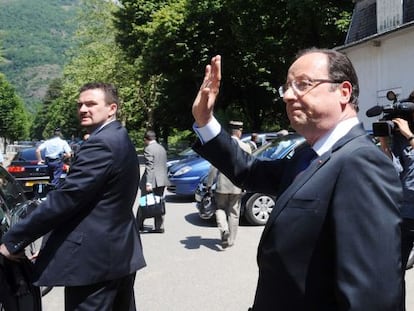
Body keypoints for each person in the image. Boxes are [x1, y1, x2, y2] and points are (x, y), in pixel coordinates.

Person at [191, 49, 404, 310]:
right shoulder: (308, 154)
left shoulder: (362, 163)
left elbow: (373, 299)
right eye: (287, 87)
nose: (289, 96)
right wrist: (205, 122)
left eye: (302, 85)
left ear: (343, 92)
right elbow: (250, 171)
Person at [0, 82, 146, 311]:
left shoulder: (101, 144)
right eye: (80, 104)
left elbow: (66, 199)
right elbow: (88, 203)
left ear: (112, 108)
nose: (83, 109)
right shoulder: (120, 136)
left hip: (94, 262)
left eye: (91, 104)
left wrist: (13, 240)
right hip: (119, 253)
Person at [378, 116, 414, 307]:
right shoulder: (402, 139)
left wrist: (410, 135)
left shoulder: (408, 136)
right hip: (405, 214)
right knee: (395, 272)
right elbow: (394, 169)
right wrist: (385, 142)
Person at [206, 120, 251, 248]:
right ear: (239, 132)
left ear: (229, 131)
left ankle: (224, 229)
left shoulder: (221, 145)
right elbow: (248, 167)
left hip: (222, 185)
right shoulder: (246, 147)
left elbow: (213, 167)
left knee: (219, 208)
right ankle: (231, 240)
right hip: (238, 185)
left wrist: (209, 184)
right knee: (234, 212)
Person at [138, 130, 169, 233]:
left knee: (144, 201)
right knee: (158, 202)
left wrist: (148, 182)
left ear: (146, 139)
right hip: (162, 180)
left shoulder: (148, 149)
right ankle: (159, 226)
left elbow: (150, 167)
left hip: (152, 181)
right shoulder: (161, 148)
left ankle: (138, 224)